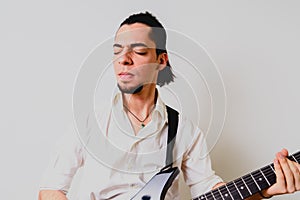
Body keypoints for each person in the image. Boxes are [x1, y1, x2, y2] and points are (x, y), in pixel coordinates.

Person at [39, 12, 300, 200]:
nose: (124, 60)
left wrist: (265, 190)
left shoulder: (185, 132)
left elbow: (214, 195)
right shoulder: (89, 122)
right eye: (118, 51)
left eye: (138, 51)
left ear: (161, 61)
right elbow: (50, 189)